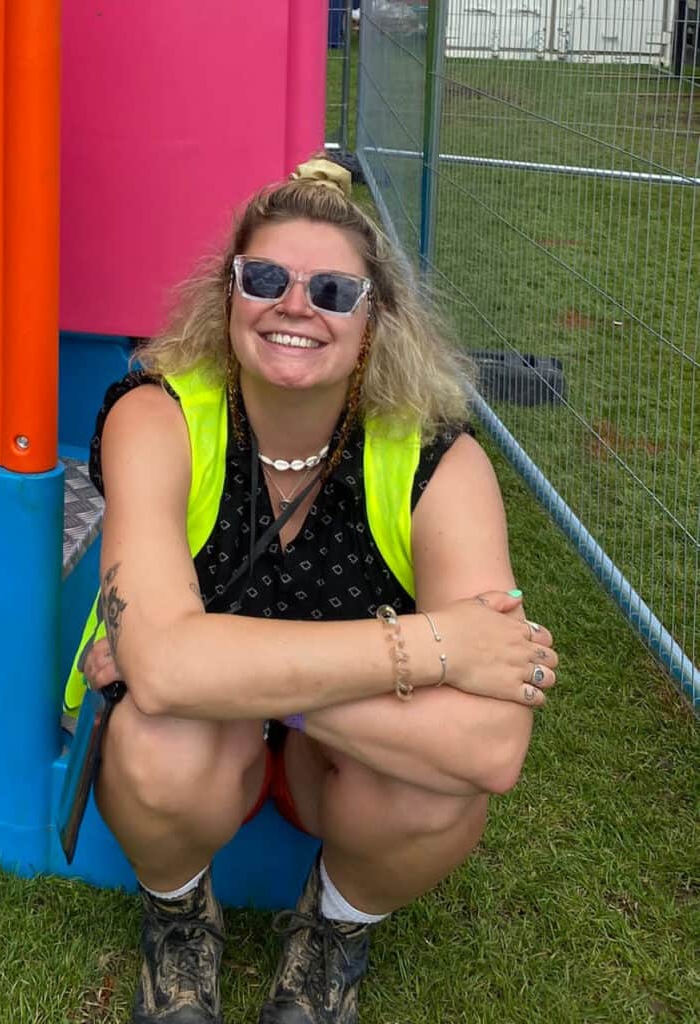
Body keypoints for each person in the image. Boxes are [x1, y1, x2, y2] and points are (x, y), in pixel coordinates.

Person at [69, 157, 558, 1024]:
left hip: (327, 760)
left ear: (375, 322)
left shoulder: (439, 460)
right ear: (229, 296)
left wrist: (236, 682)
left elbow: (492, 748)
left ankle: (332, 930)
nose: (294, 305)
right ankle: (179, 919)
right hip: (200, 742)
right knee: (157, 742)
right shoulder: (156, 414)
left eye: (332, 291)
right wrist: (435, 649)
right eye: (265, 278)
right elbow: (171, 680)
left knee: (438, 783)